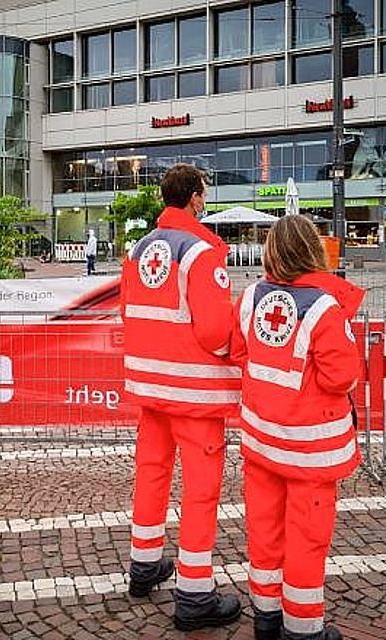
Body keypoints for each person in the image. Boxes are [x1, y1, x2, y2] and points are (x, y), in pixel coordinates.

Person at [120, 163, 242, 630]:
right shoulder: (201, 252)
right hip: (193, 393)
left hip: (149, 388)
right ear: (194, 198)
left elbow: (128, 311)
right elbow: (214, 332)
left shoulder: (138, 249)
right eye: (204, 193)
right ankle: (194, 594)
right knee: (200, 491)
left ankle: (144, 563)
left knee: (151, 474)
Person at [230, 215, 363, 640]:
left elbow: (239, 354)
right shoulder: (323, 307)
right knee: (307, 537)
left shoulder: (249, 298)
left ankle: (266, 615)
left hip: (261, 441)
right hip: (309, 449)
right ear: (312, 250)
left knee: (264, 530)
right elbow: (341, 376)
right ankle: (303, 628)